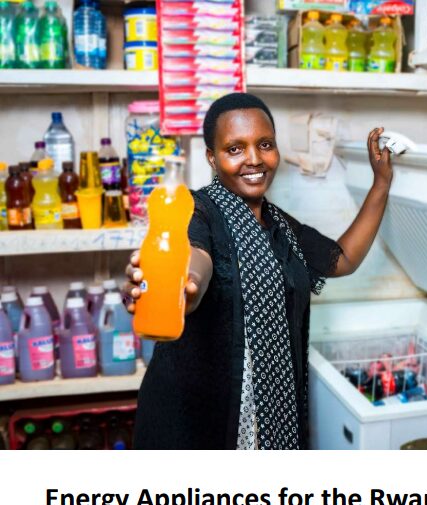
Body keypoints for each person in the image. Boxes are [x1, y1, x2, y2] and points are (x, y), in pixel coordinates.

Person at [124, 92, 393, 450]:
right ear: (212, 158)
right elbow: (194, 257)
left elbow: (342, 258)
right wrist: (183, 285)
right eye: (235, 149)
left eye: (265, 144)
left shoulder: (281, 226)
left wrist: (381, 184)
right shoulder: (196, 210)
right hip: (200, 421)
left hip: (265, 421)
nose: (254, 159)